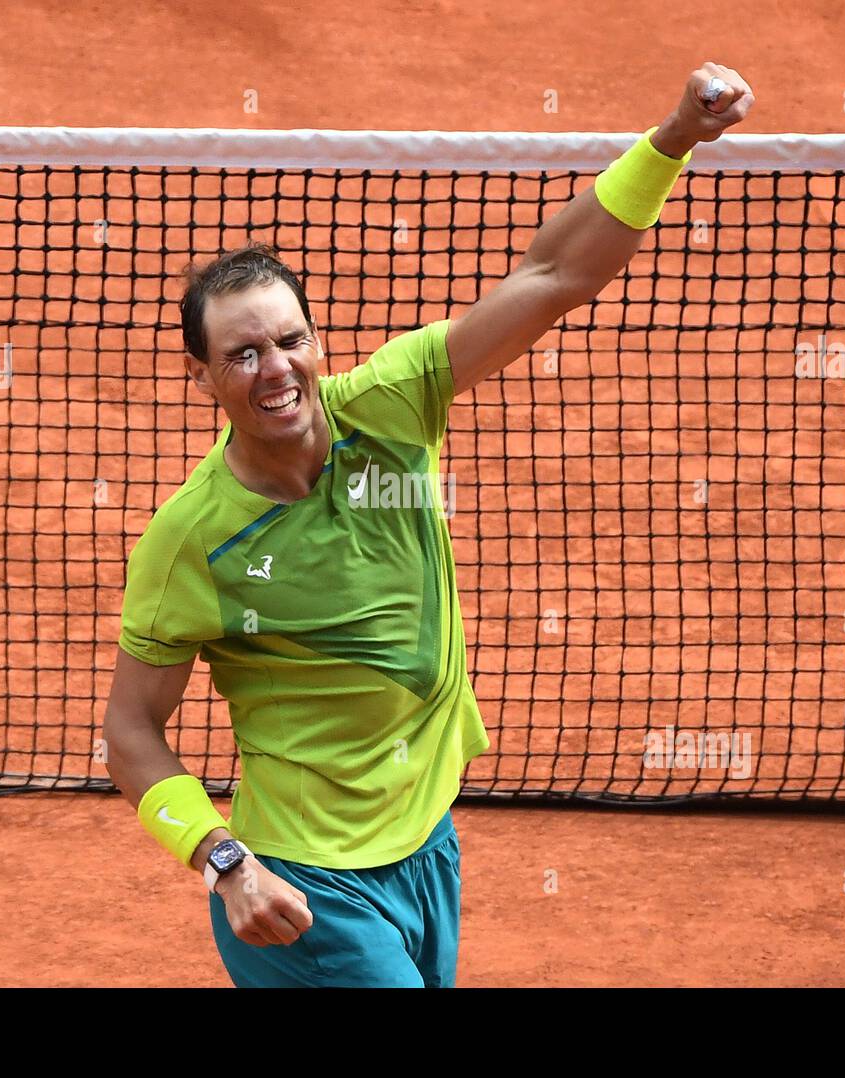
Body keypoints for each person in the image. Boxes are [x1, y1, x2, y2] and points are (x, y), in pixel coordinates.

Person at [102, 63, 755, 988]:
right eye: (242, 354)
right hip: (304, 882)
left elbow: (555, 273)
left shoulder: (395, 404)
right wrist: (221, 861)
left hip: (427, 843)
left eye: (290, 340)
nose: (276, 369)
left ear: (316, 341)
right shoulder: (192, 539)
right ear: (203, 377)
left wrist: (674, 139)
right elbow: (131, 730)